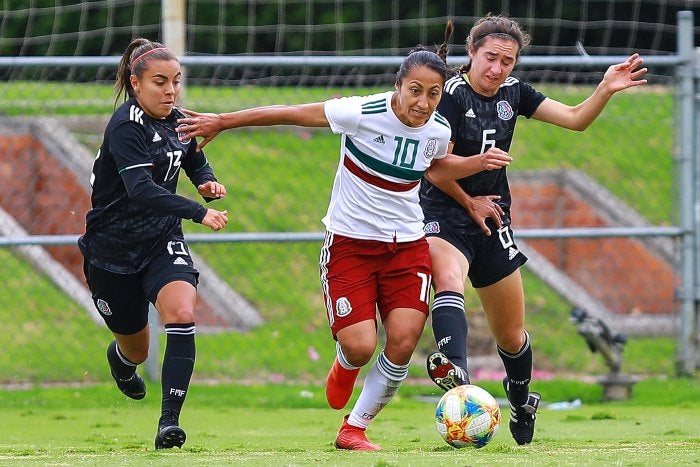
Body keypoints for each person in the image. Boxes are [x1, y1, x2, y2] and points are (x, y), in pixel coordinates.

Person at [175, 46, 507, 450]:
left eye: (433, 94)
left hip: (407, 248)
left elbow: (434, 167)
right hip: (350, 246)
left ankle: (355, 428)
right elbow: (290, 112)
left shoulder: (437, 131)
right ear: (398, 85)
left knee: (402, 342)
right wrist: (224, 121)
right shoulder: (361, 113)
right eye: (415, 90)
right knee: (361, 345)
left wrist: (476, 165)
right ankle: (346, 362)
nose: (422, 102)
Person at [421, 15, 648, 445]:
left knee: (511, 333)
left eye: (507, 61)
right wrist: (471, 191)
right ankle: (460, 379)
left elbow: (577, 119)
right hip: (446, 212)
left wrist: (605, 89)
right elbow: (435, 169)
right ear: (472, 53)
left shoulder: (514, 93)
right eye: (490, 58)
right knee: (447, 277)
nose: (497, 68)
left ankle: (521, 398)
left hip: (493, 218)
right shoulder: (449, 95)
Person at [78, 38, 229, 450]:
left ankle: (169, 424)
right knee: (137, 349)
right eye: (160, 82)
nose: (171, 91)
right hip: (111, 251)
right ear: (135, 83)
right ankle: (122, 362)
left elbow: (193, 157)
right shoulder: (126, 125)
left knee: (181, 312)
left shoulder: (177, 119)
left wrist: (206, 183)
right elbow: (140, 188)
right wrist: (198, 212)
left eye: (176, 82)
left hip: (161, 239)